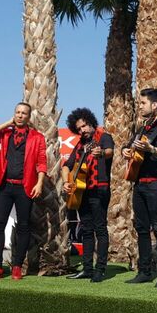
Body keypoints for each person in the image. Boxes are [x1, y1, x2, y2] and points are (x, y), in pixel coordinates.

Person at [121, 88, 157, 288]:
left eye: (142, 103)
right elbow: (128, 146)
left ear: (154, 105)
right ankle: (144, 272)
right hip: (139, 186)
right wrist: (126, 151)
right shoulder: (142, 129)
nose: (139, 106)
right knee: (141, 229)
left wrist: (153, 149)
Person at [0, 102, 47, 281]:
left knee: (24, 226)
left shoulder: (37, 137)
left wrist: (39, 183)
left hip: (25, 187)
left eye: (24, 113)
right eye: (17, 112)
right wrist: (6, 123)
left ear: (29, 116)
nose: (20, 115)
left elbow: (41, 161)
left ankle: (17, 266)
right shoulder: (5, 133)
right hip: (4, 186)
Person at [62, 108, 114, 283]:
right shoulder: (79, 144)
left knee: (100, 229)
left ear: (91, 122)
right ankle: (87, 269)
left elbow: (109, 152)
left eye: (84, 126)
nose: (82, 130)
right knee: (86, 230)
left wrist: (101, 152)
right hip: (81, 191)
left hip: (99, 190)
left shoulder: (103, 137)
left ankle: (100, 269)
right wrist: (65, 181)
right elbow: (66, 165)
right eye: (79, 128)